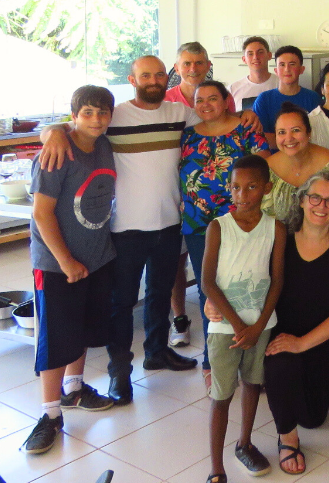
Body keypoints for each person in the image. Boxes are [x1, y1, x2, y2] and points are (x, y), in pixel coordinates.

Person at [39, 55, 200, 406]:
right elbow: (75, 127)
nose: (154, 80)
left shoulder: (180, 113)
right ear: (132, 79)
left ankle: (157, 352)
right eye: (146, 75)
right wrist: (51, 131)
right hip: (125, 228)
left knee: (160, 296)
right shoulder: (114, 116)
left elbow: (218, 120)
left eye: (160, 74)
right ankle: (120, 372)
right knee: (121, 303)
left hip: (169, 223)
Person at [21, 85, 118, 455]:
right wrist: (64, 261)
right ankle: (49, 415)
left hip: (97, 256)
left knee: (81, 328)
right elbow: (41, 213)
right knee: (56, 336)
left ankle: (75, 389)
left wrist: (88, 260)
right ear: (74, 114)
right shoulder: (56, 154)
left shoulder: (104, 145)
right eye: (88, 112)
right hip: (58, 264)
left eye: (103, 113)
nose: (96, 119)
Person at [262, 173, 329, 474]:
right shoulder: (280, 239)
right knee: (282, 364)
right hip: (282, 334)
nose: (322, 205)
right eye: (315, 197)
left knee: (314, 420)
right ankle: (287, 437)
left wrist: (303, 343)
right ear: (302, 200)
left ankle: (281, 386)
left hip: (321, 342)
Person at [201, 155, 286, 481]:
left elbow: (277, 280)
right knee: (221, 395)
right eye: (236, 187)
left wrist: (258, 326)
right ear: (229, 189)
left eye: (252, 187)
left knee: (252, 384)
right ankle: (216, 469)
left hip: (261, 326)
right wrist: (239, 326)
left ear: (266, 187)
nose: (243, 194)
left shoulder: (275, 228)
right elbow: (208, 281)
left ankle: (245, 443)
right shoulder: (218, 227)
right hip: (226, 329)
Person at [178, 80, 271, 379]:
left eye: (213, 98)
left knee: (247, 288)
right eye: (199, 99)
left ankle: (252, 355)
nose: (206, 104)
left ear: (228, 100)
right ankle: (212, 362)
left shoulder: (247, 129)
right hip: (198, 226)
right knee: (210, 295)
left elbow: (264, 171)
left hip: (242, 225)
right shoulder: (187, 136)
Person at [263, 104, 329, 225]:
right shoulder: (267, 168)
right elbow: (264, 218)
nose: (289, 138)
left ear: (309, 132)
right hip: (279, 240)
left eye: (296, 130)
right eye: (282, 132)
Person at [252, 46, 324, 146]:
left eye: (292, 64)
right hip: (274, 158)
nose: (287, 69)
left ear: (301, 69)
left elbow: (318, 135)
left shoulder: (313, 98)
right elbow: (260, 137)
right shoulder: (264, 100)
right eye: (282, 65)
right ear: (276, 70)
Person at [166, 42, 237, 112]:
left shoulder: (223, 97)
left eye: (199, 63)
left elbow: (233, 121)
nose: (193, 69)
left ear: (208, 66)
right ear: (177, 68)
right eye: (187, 64)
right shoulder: (164, 100)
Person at [230, 36, 279, 111]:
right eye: (250, 54)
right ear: (244, 59)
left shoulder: (281, 84)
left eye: (260, 52)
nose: (255, 57)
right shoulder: (233, 89)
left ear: (269, 56)